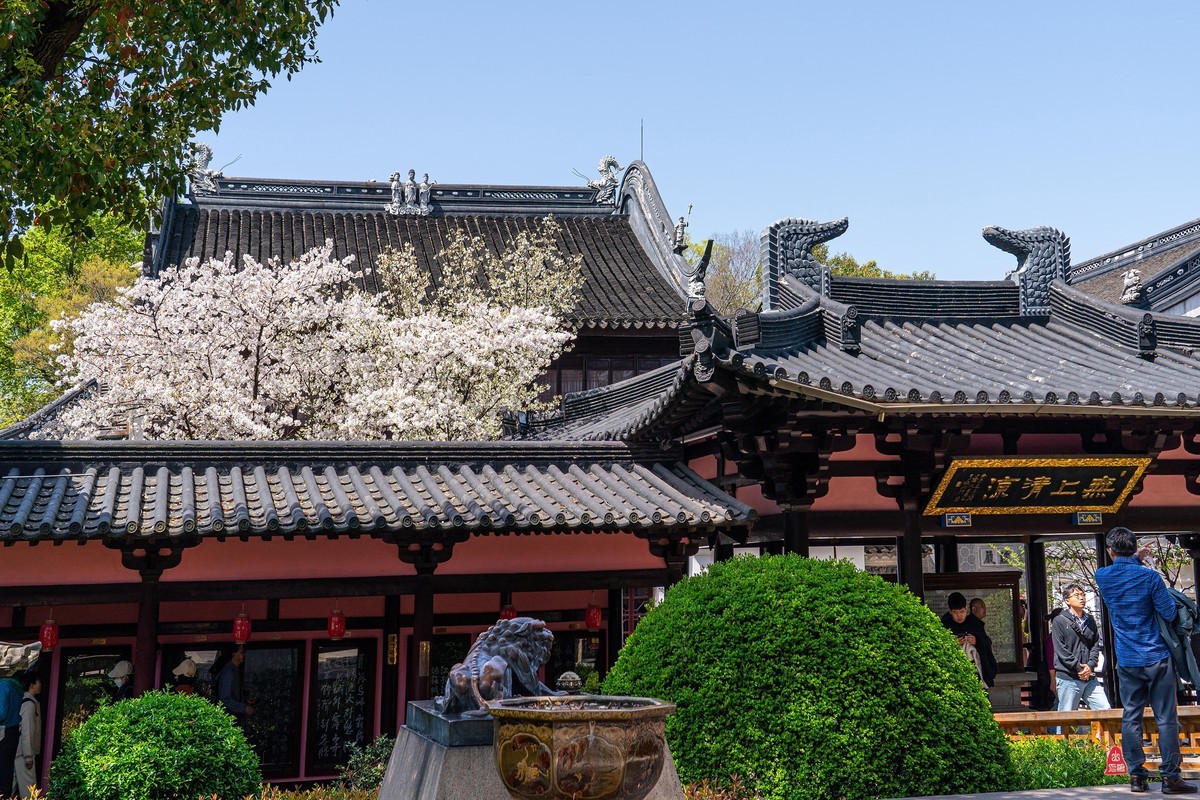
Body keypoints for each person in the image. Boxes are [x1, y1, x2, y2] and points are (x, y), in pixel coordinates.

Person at [1095, 526, 1196, 794]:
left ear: (1110, 551)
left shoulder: (1102, 576)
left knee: (1131, 716)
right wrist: (1138, 560)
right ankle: (1171, 778)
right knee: (1166, 719)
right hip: (1156, 656)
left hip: (1127, 659)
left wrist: (1133, 557)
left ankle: (1136, 777)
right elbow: (1168, 611)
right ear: (1133, 547)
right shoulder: (1150, 578)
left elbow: (1122, 568)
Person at [1051, 584, 1110, 711]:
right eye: (1076, 595)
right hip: (1068, 677)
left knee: (1104, 709)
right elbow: (1061, 650)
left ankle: (1102, 732)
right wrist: (1079, 668)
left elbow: (1095, 645)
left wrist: (1090, 665)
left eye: (1082, 594)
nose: (1081, 598)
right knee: (1067, 717)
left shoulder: (1090, 620)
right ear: (1067, 600)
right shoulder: (1059, 621)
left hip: (1089, 676)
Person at [940, 592, 998, 687]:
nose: (959, 616)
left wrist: (977, 641)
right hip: (956, 670)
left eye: (962, 611)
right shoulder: (945, 625)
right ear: (950, 611)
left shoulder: (974, 622)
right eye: (956, 613)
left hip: (975, 667)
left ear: (966, 609)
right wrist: (952, 644)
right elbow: (940, 647)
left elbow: (987, 642)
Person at [13, 671, 41, 799]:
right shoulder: (29, 704)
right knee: (29, 790)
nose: (40, 685)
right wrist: (29, 756)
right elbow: (27, 730)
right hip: (24, 753)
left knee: (11, 787)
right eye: (38, 682)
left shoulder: (21, 700)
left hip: (17, 751)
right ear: (32, 685)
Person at [216, 646, 254, 726]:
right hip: (227, 719)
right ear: (234, 654)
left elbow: (233, 694)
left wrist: (245, 700)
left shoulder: (234, 671)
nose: (244, 655)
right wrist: (244, 708)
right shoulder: (228, 672)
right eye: (241, 652)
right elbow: (225, 698)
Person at [0, 669, 22, 800]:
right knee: (7, 768)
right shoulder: (17, 687)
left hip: (3, 731)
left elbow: (1, 713)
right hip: (13, 731)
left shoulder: (3, 685)